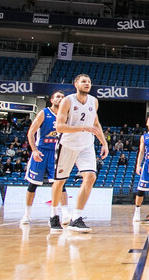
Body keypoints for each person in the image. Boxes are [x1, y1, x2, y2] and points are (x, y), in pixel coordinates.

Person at [50, 74, 109, 233]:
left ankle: (77, 217)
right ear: (76, 84)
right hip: (68, 144)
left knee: (90, 177)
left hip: (86, 144)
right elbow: (60, 127)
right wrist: (83, 128)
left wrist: (104, 142)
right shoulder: (67, 101)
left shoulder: (93, 101)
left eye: (89, 81)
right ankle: (54, 214)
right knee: (60, 181)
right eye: (84, 81)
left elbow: (96, 123)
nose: (87, 83)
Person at [22, 91, 66, 225]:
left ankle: (65, 214)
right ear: (52, 100)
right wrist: (34, 150)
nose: (61, 99)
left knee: (60, 184)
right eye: (58, 96)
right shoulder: (44, 113)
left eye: (63, 97)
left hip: (56, 153)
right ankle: (27, 214)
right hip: (41, 151)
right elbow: (31, 132)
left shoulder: (66, 115)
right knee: (33, 184)